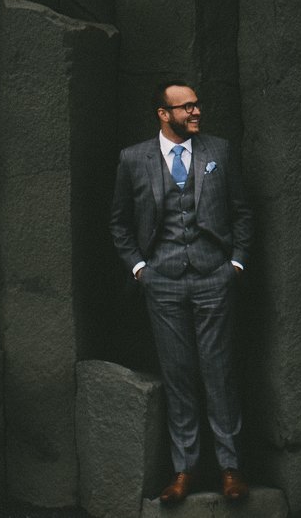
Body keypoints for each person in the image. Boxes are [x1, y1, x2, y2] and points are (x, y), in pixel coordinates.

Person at [110, 82, 256, 503]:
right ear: (163, 113)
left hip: (214, 277)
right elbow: (118, 223)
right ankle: (184, 471)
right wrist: (140, 269)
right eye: (186, 106)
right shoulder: (133, 159)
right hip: (163, 282)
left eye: (196, 105)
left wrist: (236, 264)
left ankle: (231, 469)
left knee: (220, 373)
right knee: (178, 377)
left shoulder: (219, 151)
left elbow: (242, 212)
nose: (195, 112)